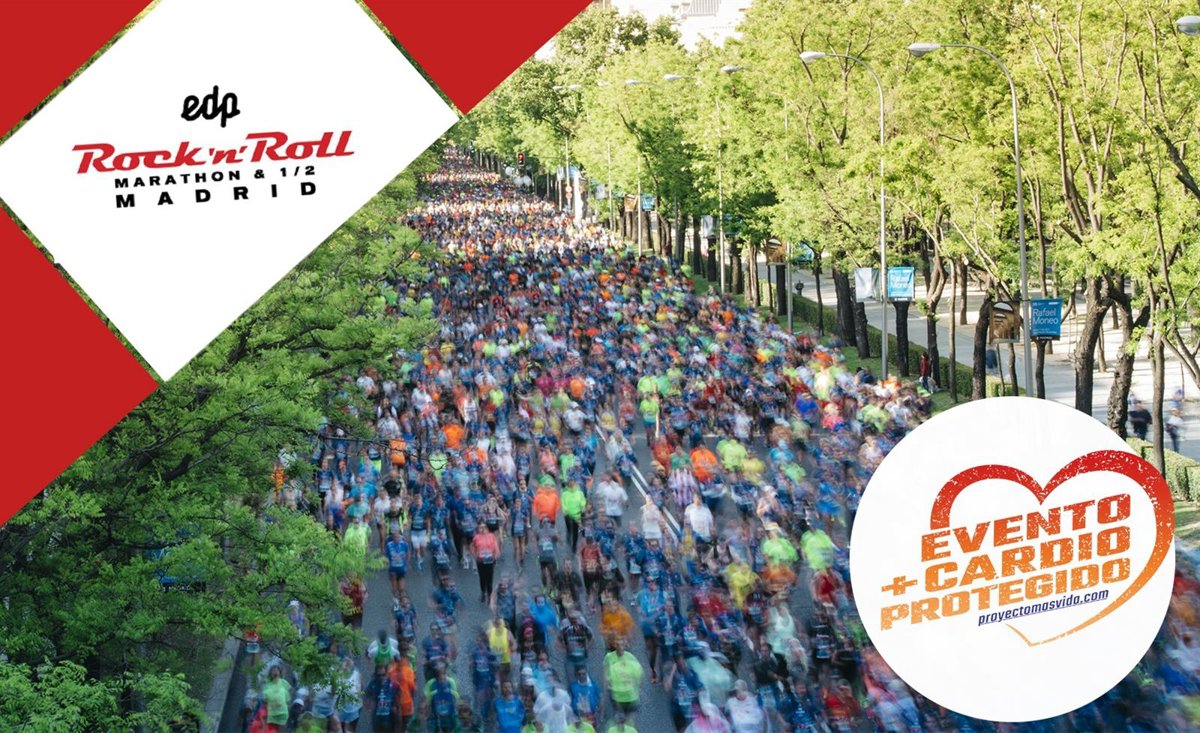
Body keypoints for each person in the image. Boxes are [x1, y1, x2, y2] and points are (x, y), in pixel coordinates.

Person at [602, 638, 644, 722]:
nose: (620, 647)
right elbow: (606, 676)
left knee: (630, 722)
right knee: (620, 721)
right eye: (618, 645)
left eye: (622, 645)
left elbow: (639, 672)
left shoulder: (630, 657)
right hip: (617, 696)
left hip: (631, 695)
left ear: (624, 645)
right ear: (615, 646)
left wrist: (638, 688)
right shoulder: (609, 657)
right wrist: (605, 692)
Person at [472, 523, 500, 603]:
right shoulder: (476, 537)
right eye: (481, 527)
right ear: (478, 529)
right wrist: (475, 555)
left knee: (489, 577)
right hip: (480, 560)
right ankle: (483, 592)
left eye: (484, 527)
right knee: (482, 577)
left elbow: (495, 546)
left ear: (487, 528)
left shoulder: (491, 536)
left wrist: (496, 555)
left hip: (490, 560)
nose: (483, 529)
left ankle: (489, 594)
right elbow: (473, 547)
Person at [262, 665, 293, 733]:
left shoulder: (283, 682)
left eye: (276, 670)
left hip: (282, 711)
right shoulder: (268, 684)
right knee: (270, 730)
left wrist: (287, 699)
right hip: (271, 712)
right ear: (270, 673)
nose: (275, 672)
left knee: (280, 730)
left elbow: (291, 690)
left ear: (279, 673)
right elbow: (265, 697)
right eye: (273, 670)